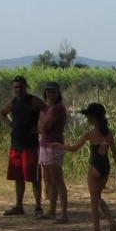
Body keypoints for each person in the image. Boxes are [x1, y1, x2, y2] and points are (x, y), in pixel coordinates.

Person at [61, 102, 116, 231]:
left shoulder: (90, 134)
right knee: (97, 197)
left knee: (94, 201)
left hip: (95, 167)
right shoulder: (108, 133)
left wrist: (59, 146)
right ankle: (112, 222)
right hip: (105, 168)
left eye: (88, 116)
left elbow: (74, 148)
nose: (87, 119)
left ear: (93, 118)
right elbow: (115, 153)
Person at [0, 75, 44, 217]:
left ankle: (38, 207)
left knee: (34, 178)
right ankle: (19, 206)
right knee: (18, 177)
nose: (18, 90)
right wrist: (10, 125)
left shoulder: (34, 101)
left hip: (31, 145)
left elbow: (48, 111)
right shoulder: (13, 102)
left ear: (26, 86)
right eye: (15, 87)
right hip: (16, 145)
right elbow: (2, 113)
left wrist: (40, 128)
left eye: (20, 87)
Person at [38, 81, 69, 223]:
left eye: (53, 92)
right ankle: (51, 209)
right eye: (48, 91)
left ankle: (63, 214)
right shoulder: (48, 109)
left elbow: (43, 127)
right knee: (48, 180)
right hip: (45, 144)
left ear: (58, 93)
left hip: (53, 146)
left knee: (57, 180)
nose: (50, 94)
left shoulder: (57, 108)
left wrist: (41, 124)